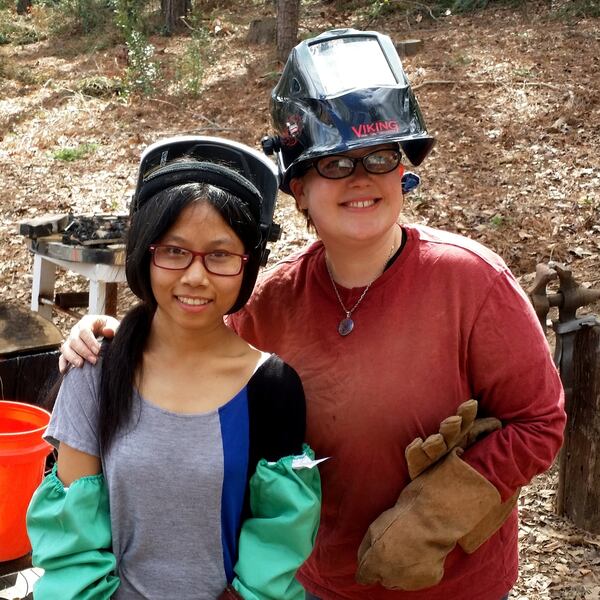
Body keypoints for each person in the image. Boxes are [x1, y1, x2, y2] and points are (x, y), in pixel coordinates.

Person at [58, 28, 566, 600]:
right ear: (297, 187)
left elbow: (540, 421)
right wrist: (111, 332)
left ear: (404, 171)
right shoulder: (272, 299)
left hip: (450, 586)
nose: (361, 177)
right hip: (311, 581)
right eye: (335, 163)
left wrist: (442, 508)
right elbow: (191, 336)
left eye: (380, 156)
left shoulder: (471, 282)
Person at [27, 136, 322, 600]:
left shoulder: (270, 388)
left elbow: (277, 541)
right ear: (145, 252)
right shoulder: (96, 369)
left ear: (249, 265)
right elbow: (72, 546)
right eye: (174, 250)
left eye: (220, 254)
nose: (195, 276)